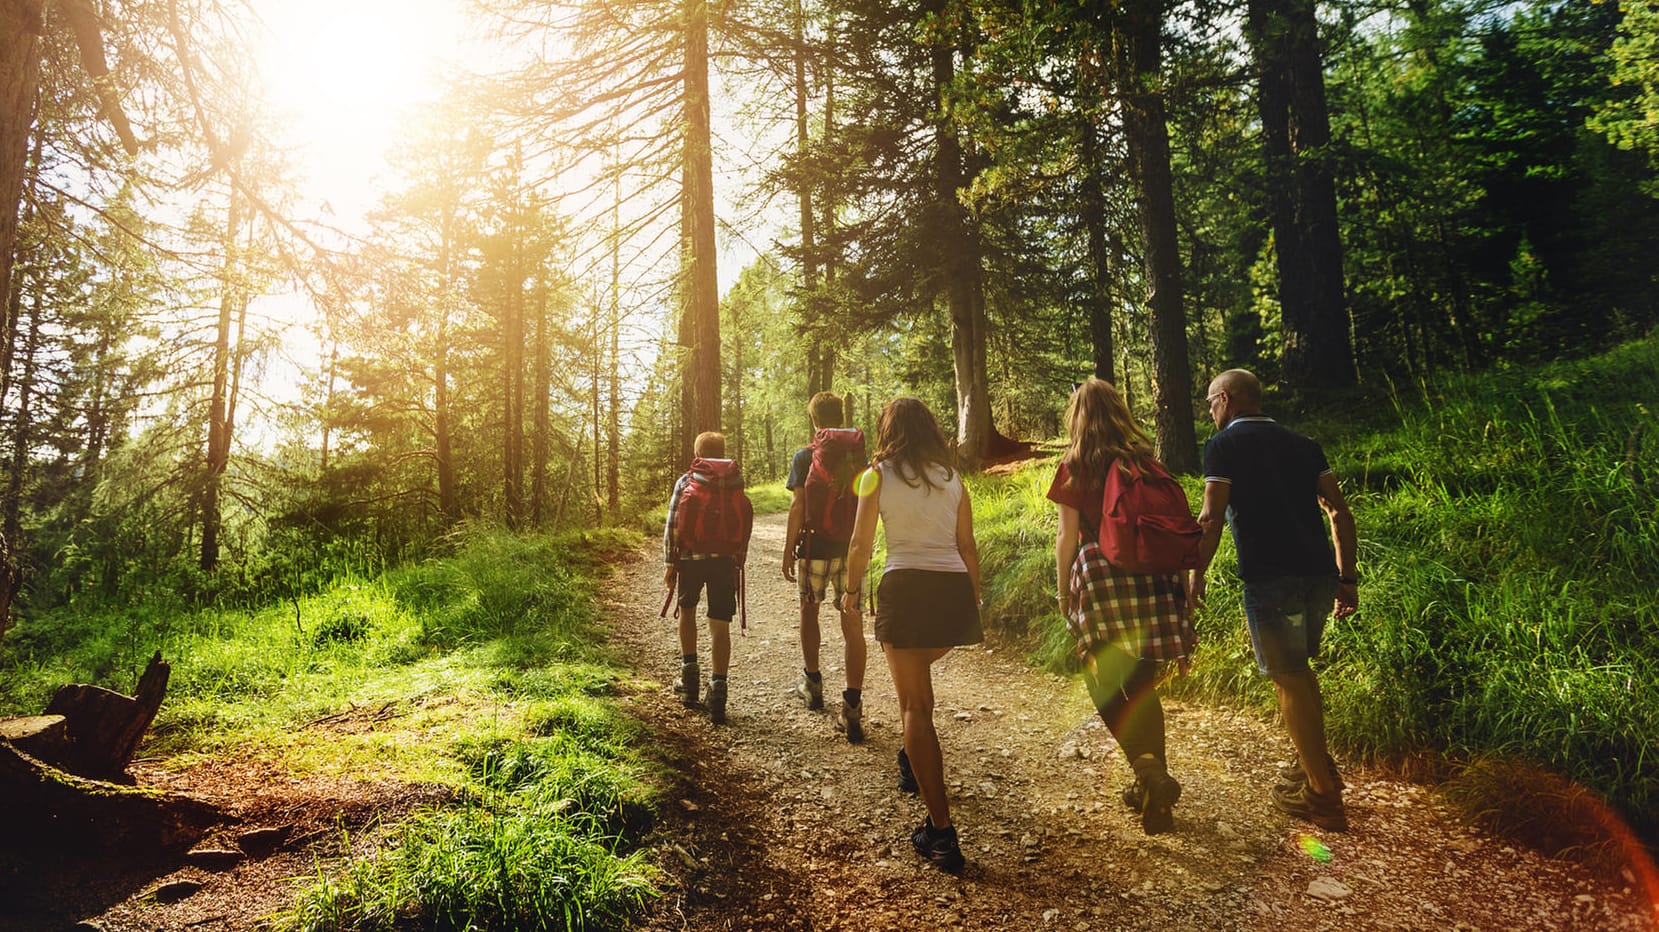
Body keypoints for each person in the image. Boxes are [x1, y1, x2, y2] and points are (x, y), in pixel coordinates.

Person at [1191, 369, 1359, 832]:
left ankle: (1322, 796)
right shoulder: (1304, 444)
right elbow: (1338, 511)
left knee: (1289, 679)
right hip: (1320, 577)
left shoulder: (1223, 446)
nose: (1209, 411)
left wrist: (1195, 574)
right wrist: (1348, 578)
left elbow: (1211, 519)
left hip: (1271, 579)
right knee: (1301, 673)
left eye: (1210, 403)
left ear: (1226, 399)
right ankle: (1313, 765)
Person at [1047, 378, 1195, 835]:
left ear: (1077, 416)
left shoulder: (1073, 465)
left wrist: (1062, 591)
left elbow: (1066, 537)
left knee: (1104, 682)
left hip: (1103, 577)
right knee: (1143, 682)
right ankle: (1154, 789)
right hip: (1156, 576)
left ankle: (1147, 772)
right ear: (1118, 411)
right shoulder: (1145, 460)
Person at [841, 397, 982, 873]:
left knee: (914, 707)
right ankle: (913, 757)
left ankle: (940, 833)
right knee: (920, 696)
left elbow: (861, 543)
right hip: (951, 591)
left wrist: (851, 591)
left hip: (905, 588)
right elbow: (966, 544)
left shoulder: (877, 472)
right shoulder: (950, 476)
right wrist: (973, 600)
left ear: (888, 430)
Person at [782, 391, 868, 742]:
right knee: (853, 622)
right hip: (851, 548)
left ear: (814, 420)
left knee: (809, 611)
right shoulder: (859, 455)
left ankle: (813, 683)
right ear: (841, 415)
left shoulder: (805, 456)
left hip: (815, 546)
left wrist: (789, 550)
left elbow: (798, 506)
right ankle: (852, 705)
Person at [663, 431, 753, 725]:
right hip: (724, 561)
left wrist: (669, 563)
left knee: (687, 613)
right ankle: (718, 693)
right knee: (720, 624)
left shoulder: (686, 481)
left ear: (698, 455)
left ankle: (689, 681)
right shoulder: (735, 482)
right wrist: (739, 556)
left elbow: (673, 522)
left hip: (690, 559)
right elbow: (742, 519)